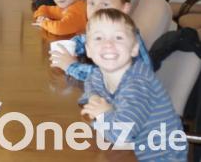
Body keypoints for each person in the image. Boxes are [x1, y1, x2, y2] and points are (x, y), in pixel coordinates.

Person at [80, 9, 187, 161]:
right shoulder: (98, 74)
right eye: (98, 38)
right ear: (88, 50)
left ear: (134, 48)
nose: (108, 44)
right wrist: (94, 98)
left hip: (159, 156)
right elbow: (90, 84)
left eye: (118, 37)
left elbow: (122, 136)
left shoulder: (138, 84)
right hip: (130, 151)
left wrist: (103, 113)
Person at [50, 0, 151, 81]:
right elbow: (83, 40)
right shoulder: (101, 29)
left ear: (124, 8)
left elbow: (111, 77)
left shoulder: (123, 38)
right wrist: (69, 48)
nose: (96, 10)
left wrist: (71, 66)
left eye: (105, 4)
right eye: (91, 3)